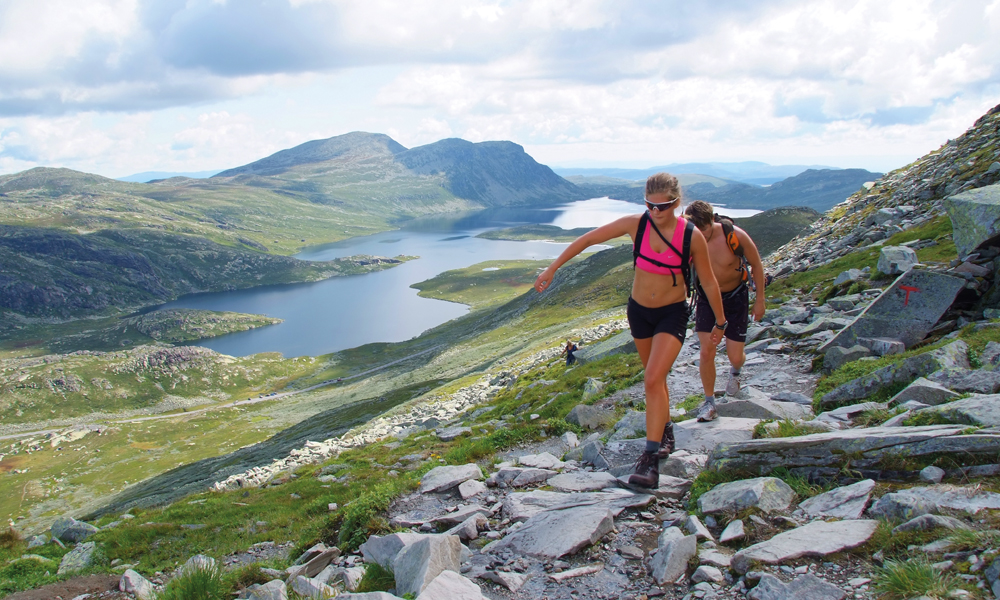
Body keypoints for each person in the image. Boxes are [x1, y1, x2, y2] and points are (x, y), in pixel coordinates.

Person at [535, 174, 726, 488]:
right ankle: (666, 433)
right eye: (649, 205)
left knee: (651, 379)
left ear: (676, 203)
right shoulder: (636, 224)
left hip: (672, 314)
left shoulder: (692, 236)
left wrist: (720, 322)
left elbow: (707, 281)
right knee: (656, 378)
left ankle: (649, 461)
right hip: (639, 313)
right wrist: (552, 268)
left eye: (662, 206)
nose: (654, 211)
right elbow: (588, 240)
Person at [683, 200, 766, 422]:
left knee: (735, 356)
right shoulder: (688, 239)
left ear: (713, 220)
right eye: (695, 231)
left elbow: (756, 264)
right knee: (707, 350)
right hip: (706, 299)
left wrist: (760, 300)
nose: (700, 235)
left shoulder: (734, 235)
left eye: (704, 231)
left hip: (736, 297)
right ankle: (709, 402)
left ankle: (735, 371)